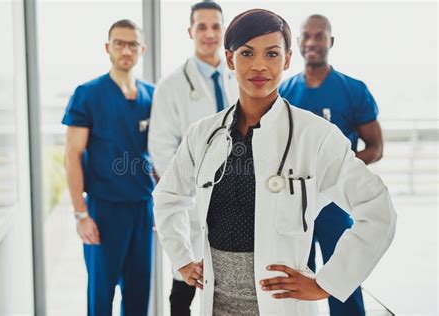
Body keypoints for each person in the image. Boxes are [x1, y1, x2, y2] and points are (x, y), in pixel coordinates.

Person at [153, 9, 396, 315]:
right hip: (217, 305)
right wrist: (182, 260)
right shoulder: (202, 135)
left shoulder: (316, 136)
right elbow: (166, 197)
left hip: (282, 307)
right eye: (246, 53)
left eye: (271, 53)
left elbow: (378, 210)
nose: (259, 65)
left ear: (287, 59)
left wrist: (328, 283)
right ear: (230, 60)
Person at [278, 14, 383, 316]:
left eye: (319, 36)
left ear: (331, 41)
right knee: (294, 283)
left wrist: (336, 171)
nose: (312, 42)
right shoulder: (285, 92)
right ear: (297, 43)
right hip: (295, 205)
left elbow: (375, 148)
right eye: (306, 36)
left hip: (336, 204)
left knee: (343, 282)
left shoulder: (353, 90)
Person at [148, 2, 238, 315]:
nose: (210, 34)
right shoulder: (171, 86)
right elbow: (161, 149)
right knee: (184, 291)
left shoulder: (237, 77)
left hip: (238, 202)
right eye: (202, 26)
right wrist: (193, 190)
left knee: (233, 290)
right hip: (193, 203)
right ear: (190, 32)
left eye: (216, 26)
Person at [62, 19, 154, 316]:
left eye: (132, 44)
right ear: (108, 48)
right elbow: (72, 155)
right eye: (119, 43)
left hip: (142, 208)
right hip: (104, 210)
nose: (125, 50)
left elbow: (163, 152)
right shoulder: (88, 94)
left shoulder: (152, 96)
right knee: (101, 297)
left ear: (142, 49)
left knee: (139, 296)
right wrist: (81, 215)